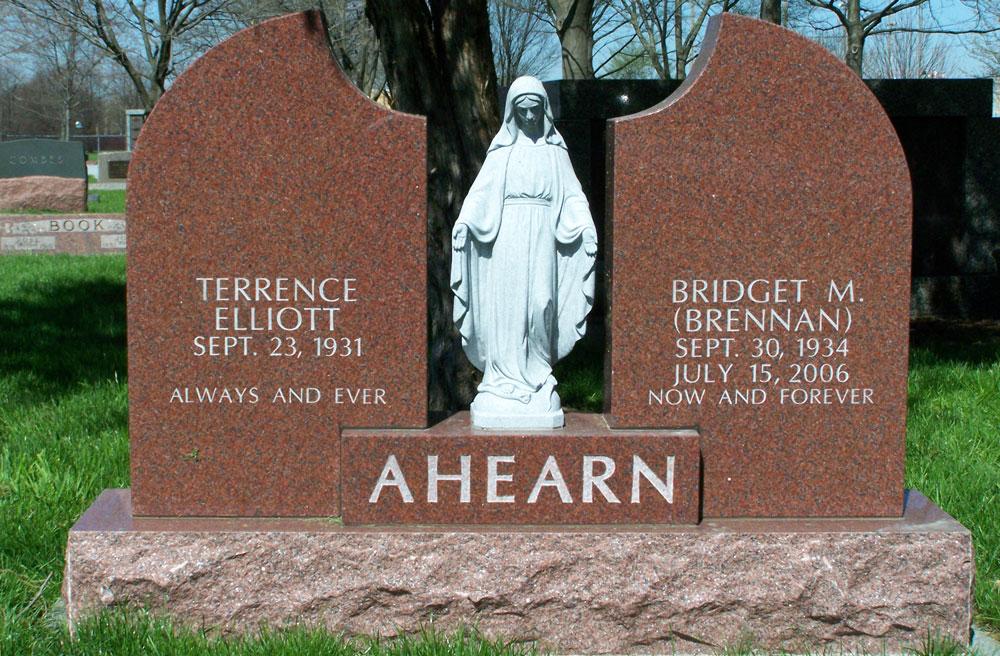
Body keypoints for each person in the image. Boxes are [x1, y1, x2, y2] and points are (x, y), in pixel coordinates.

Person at [451, 75, 597, 429]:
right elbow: (482, 193)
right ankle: (503, 381)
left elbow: (574, 196)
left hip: (543, 235)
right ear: (512, 113)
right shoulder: (504, 152)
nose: (530, 117)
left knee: (541, 303)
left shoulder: (554, 152)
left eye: (535, 110)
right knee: (510, 309)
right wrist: (465, 222)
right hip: (508, 240)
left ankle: (537, 374)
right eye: (523, 111)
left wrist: (586, 227)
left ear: (544, 111)